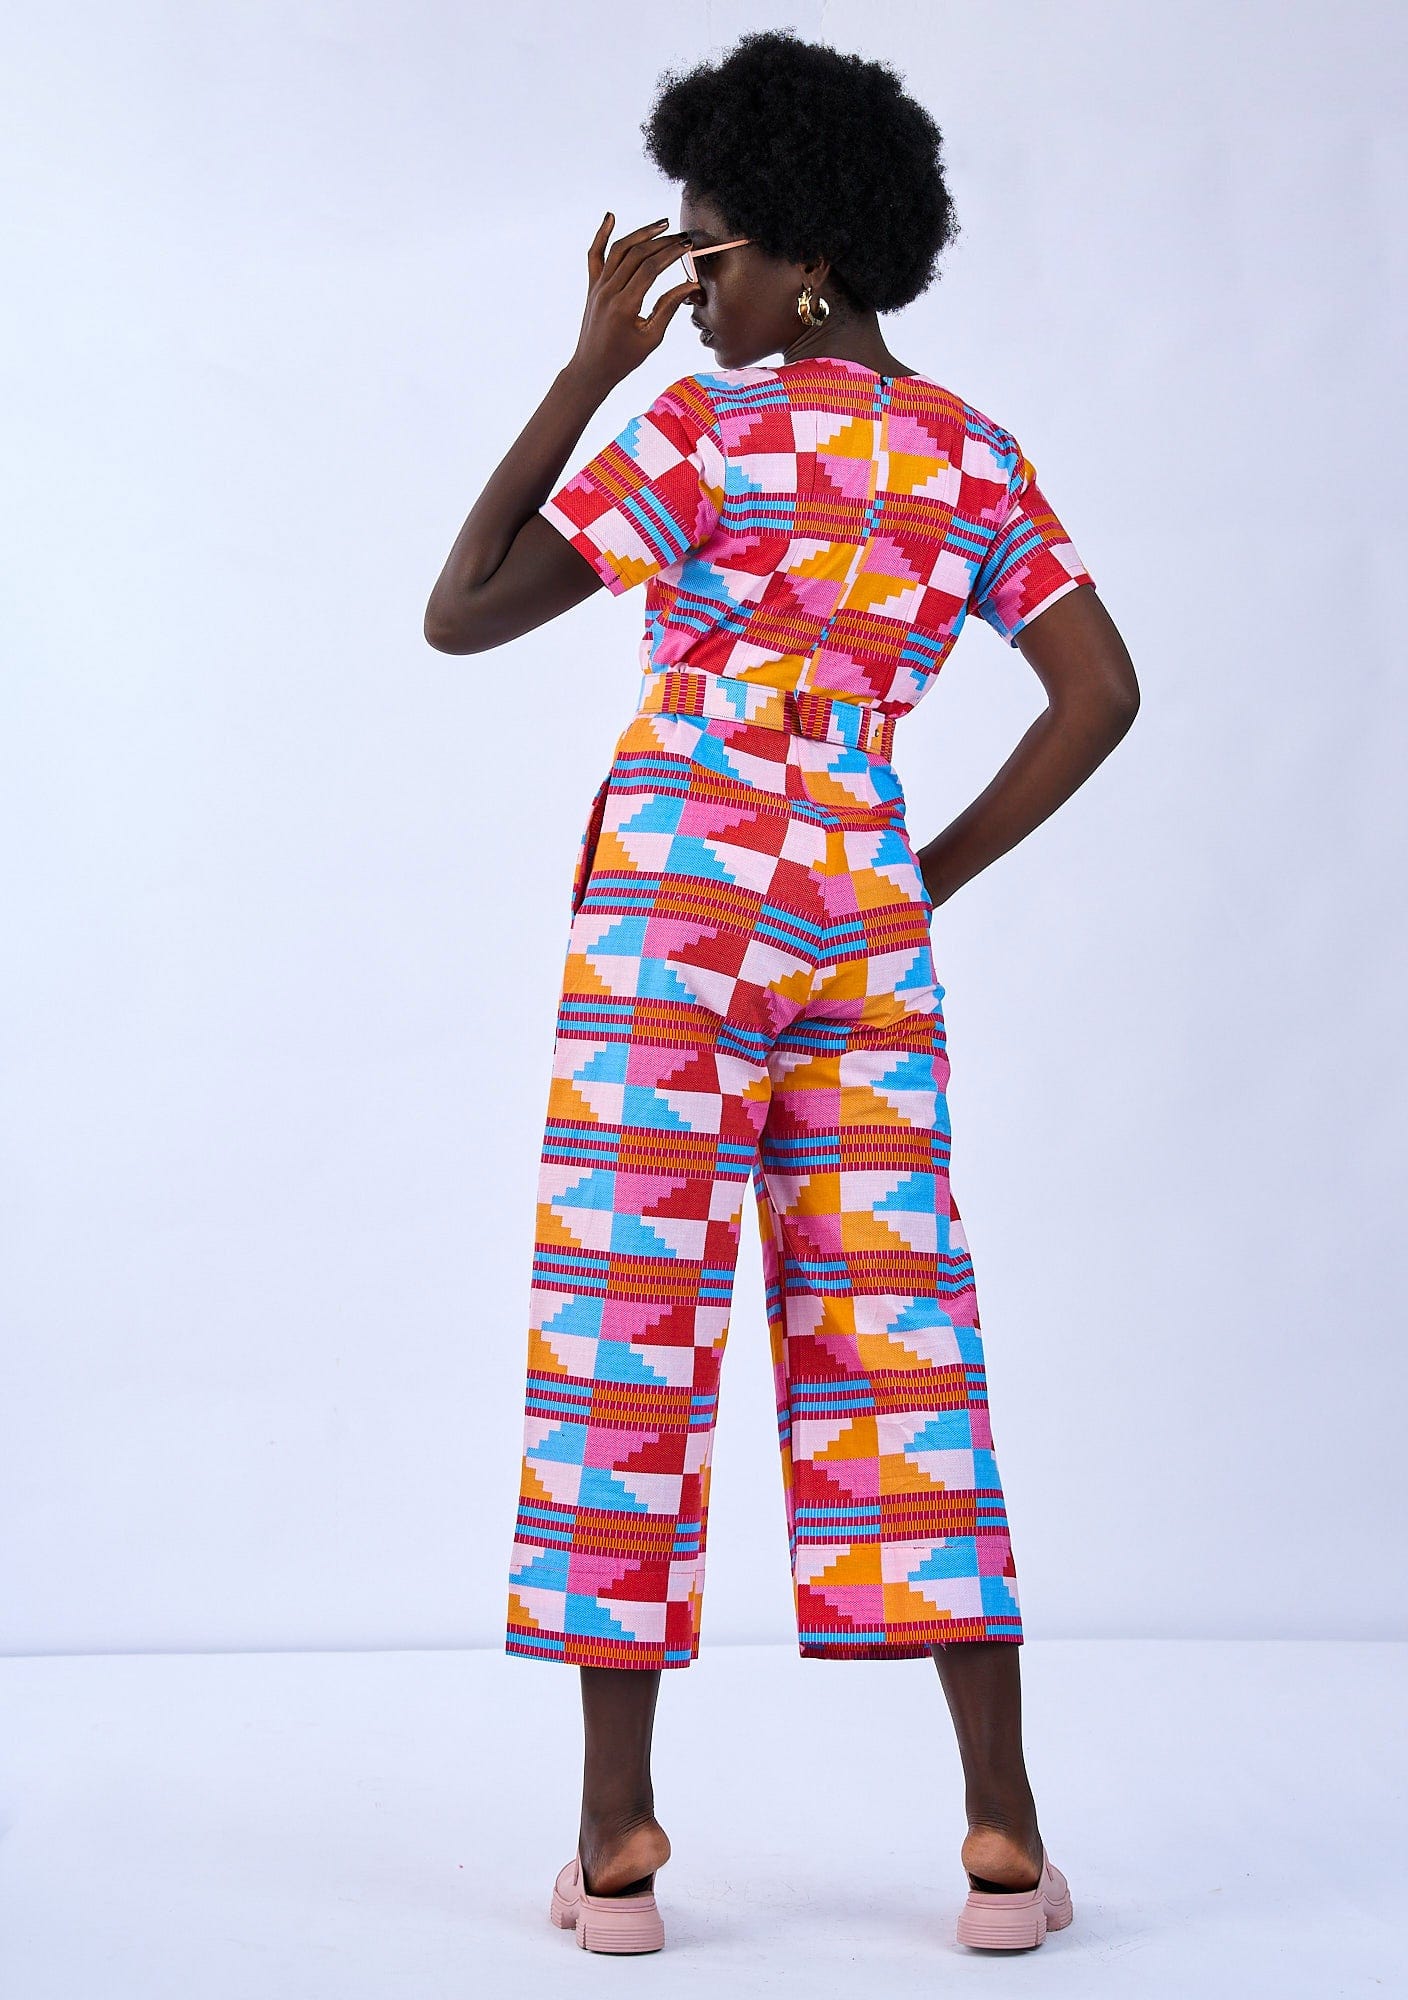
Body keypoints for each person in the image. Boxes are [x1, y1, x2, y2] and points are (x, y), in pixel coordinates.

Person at [424, 27, 1138, 1959]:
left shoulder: (700, 435)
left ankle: (616, 1842)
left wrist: (588, 369)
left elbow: (461, 609)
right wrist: (917, 881)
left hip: (676, 906)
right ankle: (1002, 1835)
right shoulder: (974, 455)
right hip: (856, 914)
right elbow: (1100, 695)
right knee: (902, 1337)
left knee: (627, 1331)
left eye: (709, 250)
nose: (687, 288)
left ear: (807, 258)